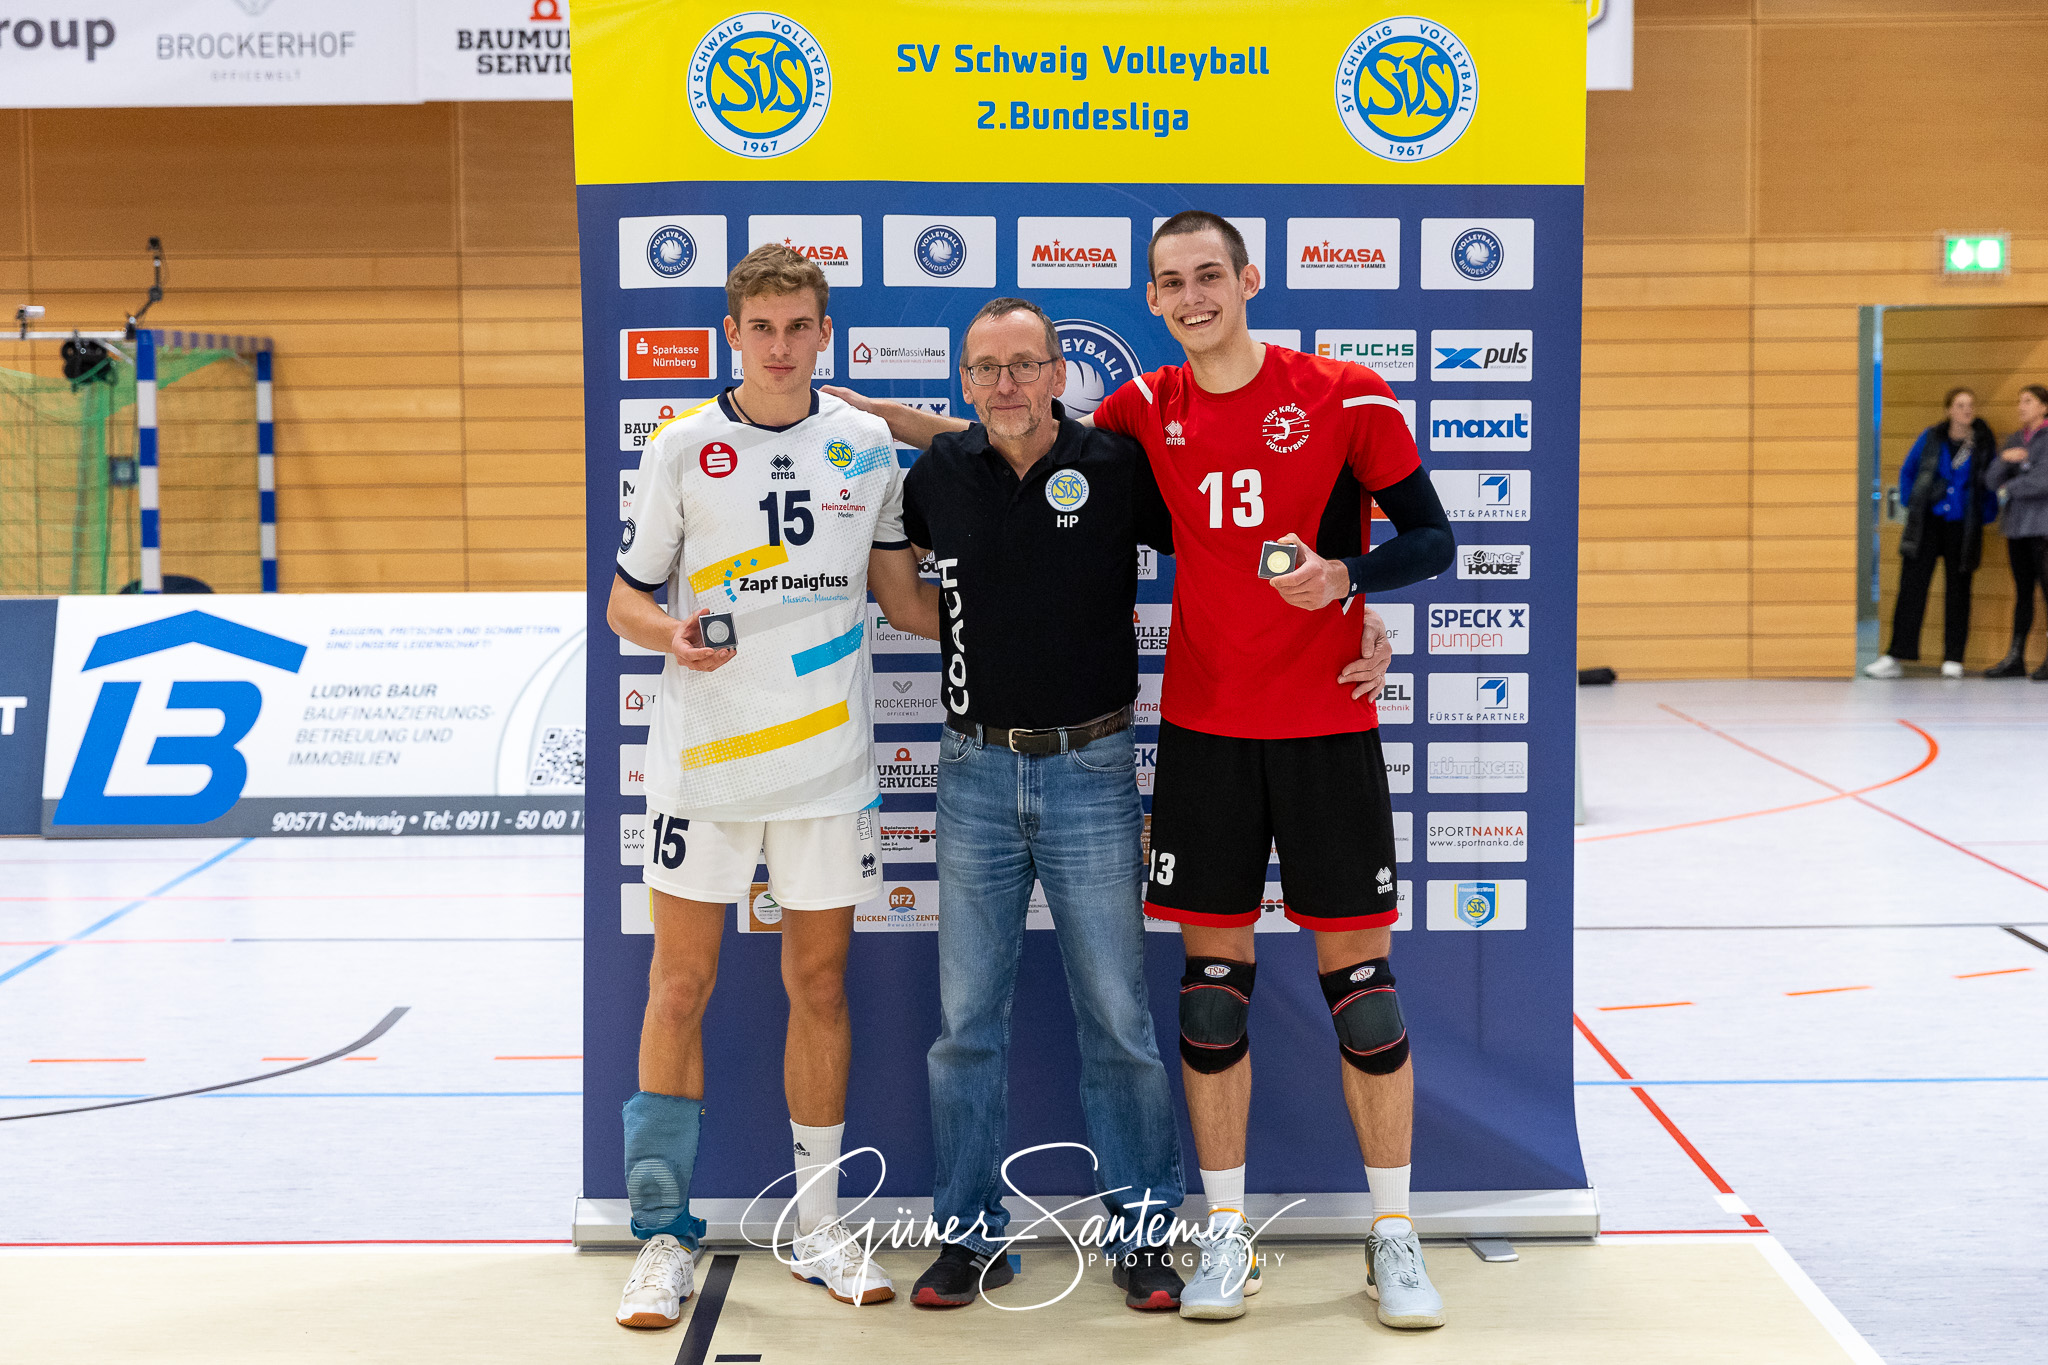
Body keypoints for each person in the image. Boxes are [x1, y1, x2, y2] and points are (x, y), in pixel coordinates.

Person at [839, 211, 1455, 1330]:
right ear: (1154, 302)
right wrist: (883, 420)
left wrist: (1357, 590)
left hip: (1278, 737)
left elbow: (1431, 541)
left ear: (1246, 279)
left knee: (1348, 1000)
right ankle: (1183, 1239)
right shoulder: (1142, 413)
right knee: (1194, 1003)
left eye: (1206, 275)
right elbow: (999, 440)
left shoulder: (1336, 394)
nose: (1190, 295)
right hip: (1176, 743)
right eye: (1170, 283)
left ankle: (1383, 1238)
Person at [605, 244, 939, 1329]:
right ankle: (658, 1236)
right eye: (764, 329)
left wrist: (1036, 620)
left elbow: (899, 598)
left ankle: (816, 1222)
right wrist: (671, 635)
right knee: (678, 986)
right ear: (733, 335)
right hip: (702, 764)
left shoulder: (865, 445)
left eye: (800, 328)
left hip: (825, 765)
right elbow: (624, 601)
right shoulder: (681, 447)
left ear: (823, 333)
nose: (783, 347)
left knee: (821, 988)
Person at [1865, 387, 1998, 679]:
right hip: (1927, 523)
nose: (1966, 410)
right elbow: (1909, 471)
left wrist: (1986, 514)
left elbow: (1988, 482)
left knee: (1958, 590)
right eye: (1961, 405)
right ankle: (1896, 655)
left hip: (1961, 526)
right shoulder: (1931, 438)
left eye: (1970, 405)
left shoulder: (1983, 444)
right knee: (1912, 587)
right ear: (1949, 409)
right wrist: (1913, 500)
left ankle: (1953, 657)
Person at [1983, 383, 2048, 680]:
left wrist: (2011, 485)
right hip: (2016, 529)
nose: (2021, 406)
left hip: (2042, 528)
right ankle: (2015, 657)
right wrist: (2003, 460)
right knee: (2023, 593)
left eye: (2028, 401)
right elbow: (1990, 480)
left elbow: (2042, 481)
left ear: (2043, 407)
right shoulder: (2013, 440)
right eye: (2019, 401)